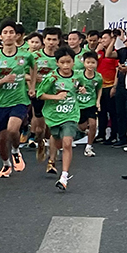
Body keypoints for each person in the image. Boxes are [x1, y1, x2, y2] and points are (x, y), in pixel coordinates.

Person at [0, 19, 36, 178]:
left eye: (12, 32)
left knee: (12, 129)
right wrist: (3, 80)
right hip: (1, 101)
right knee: (2, 139)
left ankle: (16, 151)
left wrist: (31, 87)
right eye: (5, 32)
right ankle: (6, 164)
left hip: (20, 99)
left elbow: (33, 66)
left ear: (16, 36)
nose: (9, 35)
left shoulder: (25, 55)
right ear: (0, 36)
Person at [37, 47, 85, 190]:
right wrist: (55, 97)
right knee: (57, 141)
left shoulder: (78, 76)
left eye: (68, 62)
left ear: (73, 62)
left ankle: (64, 177)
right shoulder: (52, 78)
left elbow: (80, 86)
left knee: (67, 143)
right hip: (54, 115)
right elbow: (40, 94)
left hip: (71, 114)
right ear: (57, 63)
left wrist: (82, 89)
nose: (65, 66)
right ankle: (50, 155)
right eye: (62, 62)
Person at [30, 28, 61, 161]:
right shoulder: (35, 57)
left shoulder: (61, 57)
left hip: (55, 96)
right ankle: (40, 142)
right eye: (48, 39)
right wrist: (32, 85)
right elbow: (26, 74)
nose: (51, 42)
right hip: (39, 94)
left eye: (54, 40)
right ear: (44, 40)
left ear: (59, 41)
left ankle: (52, 152)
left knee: (52, 126)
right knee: (39, 129)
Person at [77, 51, 101, 158]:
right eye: (88, 62)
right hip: (79, 104)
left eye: (93, 62)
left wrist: (98, 101)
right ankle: (84, 130)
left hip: (91, 103)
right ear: (84, 63)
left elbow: (99, 88)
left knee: (93, 124)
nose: (90, 65)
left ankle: (89, 146)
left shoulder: (98, 77)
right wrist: (79, 88)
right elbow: (73, 87)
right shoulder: (79, 76)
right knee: (81, 127)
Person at [96, 30, 118, 144]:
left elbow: (117, 71)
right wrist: (97, 49)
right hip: (100, 87)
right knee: (101, 112)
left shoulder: (115, 53)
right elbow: (91, 61)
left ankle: (114, 135)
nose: (102, 40)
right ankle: (101, 134)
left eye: (105, 38)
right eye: (101, 38)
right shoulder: (99, 53)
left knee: (112, 112)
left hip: (110, 86)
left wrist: (114, 86)